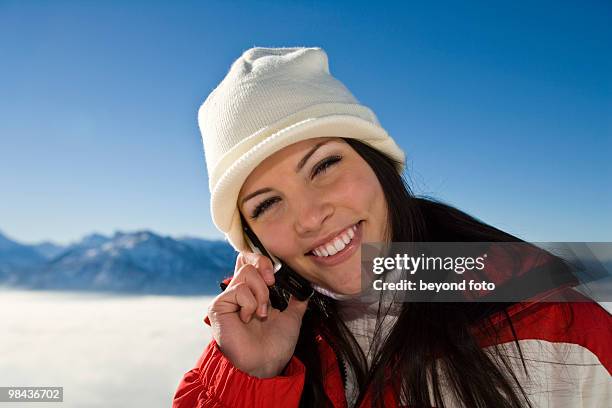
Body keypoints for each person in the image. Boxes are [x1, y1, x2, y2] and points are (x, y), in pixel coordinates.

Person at [172, 47, 611, 408]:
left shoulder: (555, 329)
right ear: (252, 242)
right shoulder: (250, 359)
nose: (308, 217)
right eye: (267, 204)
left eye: (324, 165)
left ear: (379, 163)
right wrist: (253, 379)